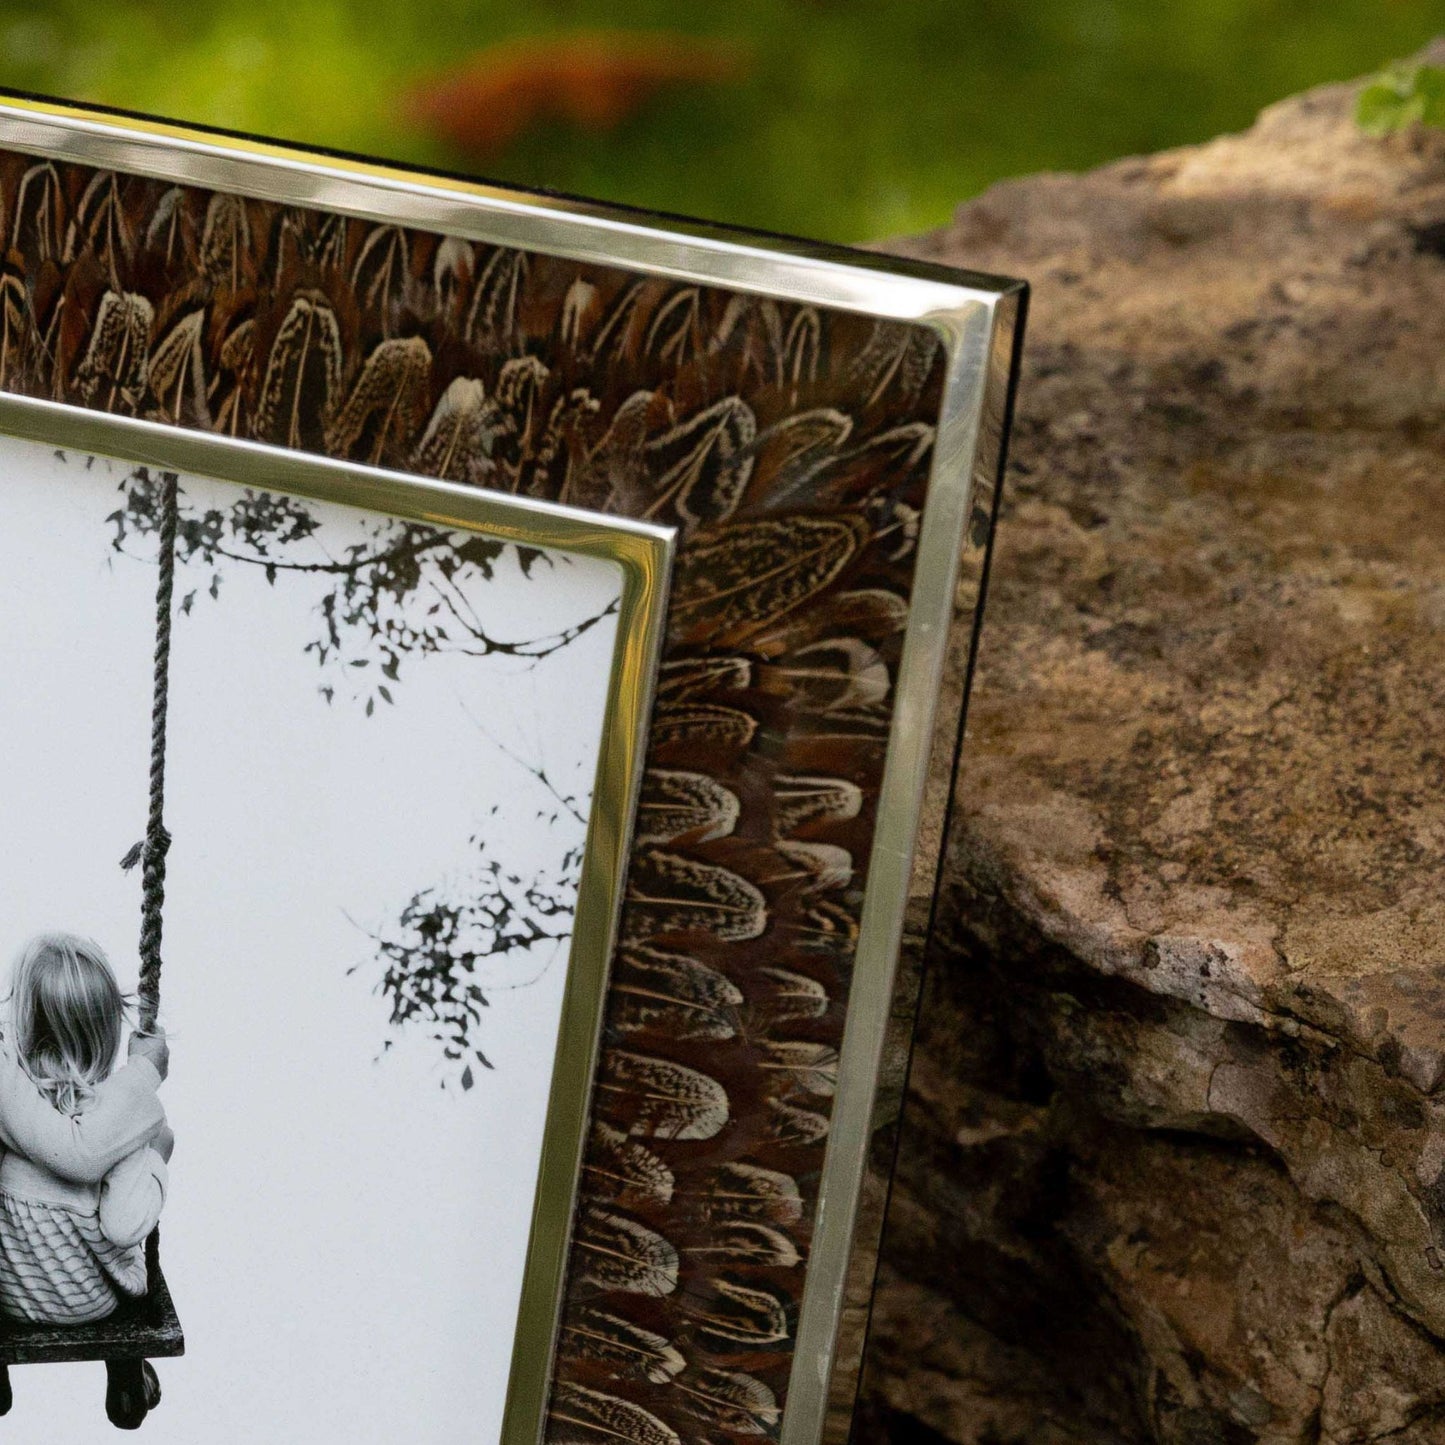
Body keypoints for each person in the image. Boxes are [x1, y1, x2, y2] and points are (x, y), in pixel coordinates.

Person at [0, 934, 174, 1426]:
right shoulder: (115, 1121)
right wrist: (157, 1159)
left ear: (22, 1021)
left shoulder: (11, 1100)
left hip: (9, 1296)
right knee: (123, 1267)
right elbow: (123, 1225)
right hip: (90, 1302)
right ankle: (124, 1367)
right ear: (105, 1031)